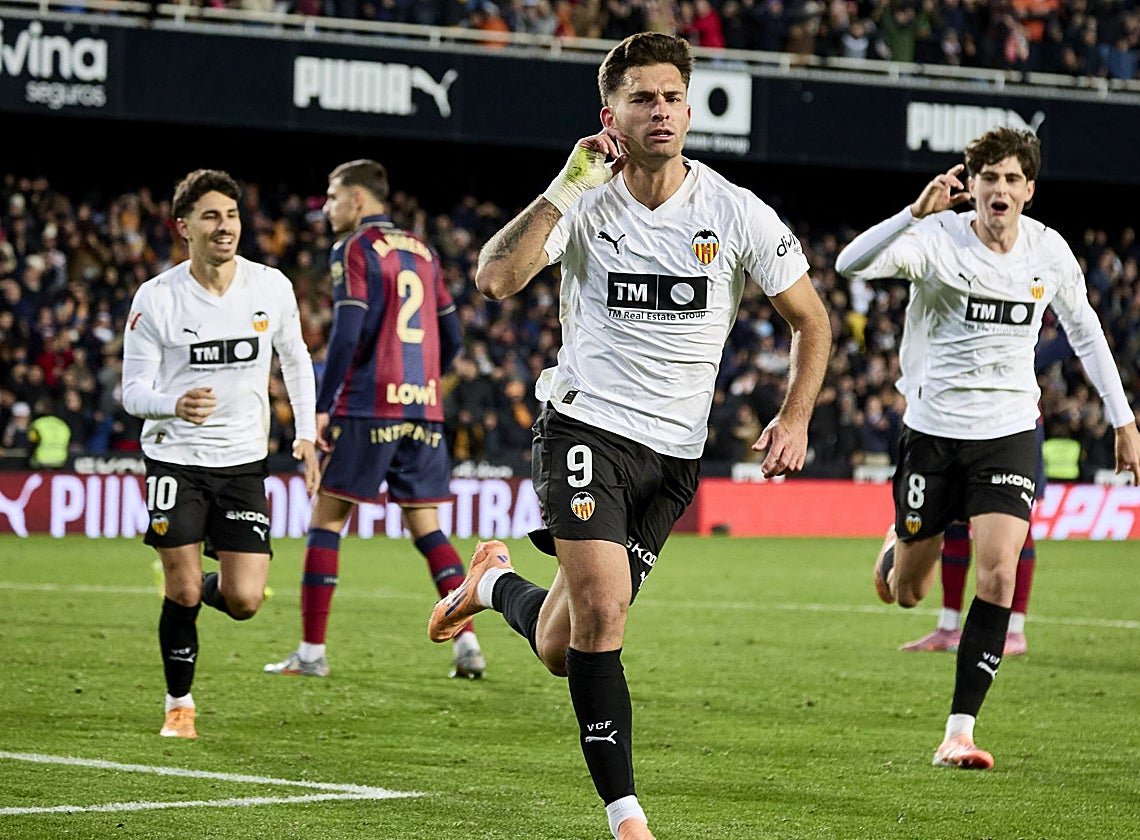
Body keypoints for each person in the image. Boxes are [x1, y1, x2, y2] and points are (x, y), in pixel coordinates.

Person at [427, 32, 832, 840]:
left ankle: (491, 584)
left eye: (673, 97)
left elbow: (811, 320)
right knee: (605, 616)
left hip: (673, 456)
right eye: (643, 97)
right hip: (585, 426)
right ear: (609, 111)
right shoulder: (584, 201)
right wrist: (565, 185)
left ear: (690, 107)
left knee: (560, 644)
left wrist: (796, 415)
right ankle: (627, 816)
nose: (661, 111)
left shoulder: (733, 210)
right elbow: (495, 278)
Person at [838, 127, 1140, 770]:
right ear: (970, 185)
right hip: (932, 433)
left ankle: (959, 729)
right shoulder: (935, 241)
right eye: (988, 177)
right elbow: (849, 265)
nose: (999, 189)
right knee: (907, 592)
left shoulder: (1048, 252)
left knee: (999, 569)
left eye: (1011, 178)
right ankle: (899, 546)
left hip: (1008, 432)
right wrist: (911, 214)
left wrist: (1124, 420)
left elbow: (1086, 333)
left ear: (1028, 190)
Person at [263, 159, 487, 680]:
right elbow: (452, 337)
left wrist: (322, 404)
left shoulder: (355, 248)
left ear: (358, 200)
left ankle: (312, 654)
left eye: (333, 197)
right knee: (428, 530)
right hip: (423, 409)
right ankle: (468, 646)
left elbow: (348, 329)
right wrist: (424, 379)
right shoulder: (425, 252)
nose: (327, 209)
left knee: (327, 520)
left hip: (369, 407)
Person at [122, 168, 320, 739]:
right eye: (210, 216)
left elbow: (296, 360)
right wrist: (172, 404)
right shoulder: (156, 298)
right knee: (182, 589)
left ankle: (198, 579)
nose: (224, 226)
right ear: (183, 227)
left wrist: (304, 433)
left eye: (230, 215)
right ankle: (178, 703)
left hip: (241, 461)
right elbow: (132, 393)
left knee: (244, 599)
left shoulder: (270, 287)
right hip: (174, 455)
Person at [898, 416, 1046, 656]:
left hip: (1014, 423)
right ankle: (948, 626)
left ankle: (1014, 630)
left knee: (1014, 522)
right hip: (959, 420)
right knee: (952, 517)